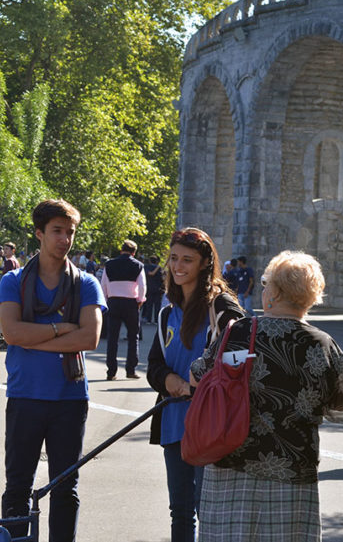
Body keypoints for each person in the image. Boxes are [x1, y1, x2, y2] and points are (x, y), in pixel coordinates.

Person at [191, 251, 343, 541]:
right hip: (294, 471)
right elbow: (338, 408)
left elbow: (198, 375)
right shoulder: (324, 345)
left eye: (266, 284)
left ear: (275, 294)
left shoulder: (239, 332)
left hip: (232, 464)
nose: (264, 289)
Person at [0, 199, 106, 542]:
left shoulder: (85, 283)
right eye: (57, 231)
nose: (65, 239)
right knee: (17, 487)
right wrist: (60, 330)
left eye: (70, 232)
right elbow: (10, 332)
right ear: (39, 233)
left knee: (64, 487)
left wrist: (32, 338)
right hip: (25, 395)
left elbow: (89, 337)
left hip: (69, 399)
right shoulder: (13, 281)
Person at [146, 228, 244, 542]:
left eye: (187, 260)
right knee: (181, 511)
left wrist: (200, 381)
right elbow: (153, 367)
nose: (178, 266)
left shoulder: (221, 305)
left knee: (210, 510)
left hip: (211, 425)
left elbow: (240, 353)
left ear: (204, 263)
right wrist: (169, 380)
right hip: (174, 423)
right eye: (174, 258)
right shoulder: (166, 314)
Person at [101, 240, 147, 380]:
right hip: (131, 303)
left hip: (114, 302)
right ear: (134, 252)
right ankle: (130, 369)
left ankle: (111, 371)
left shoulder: (109, 265)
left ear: (121, 250)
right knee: (133, 337)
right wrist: (140, 300)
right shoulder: (138, 265)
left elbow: (103, 284)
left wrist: (106, 299)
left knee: (112, 338)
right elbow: (142, 285)